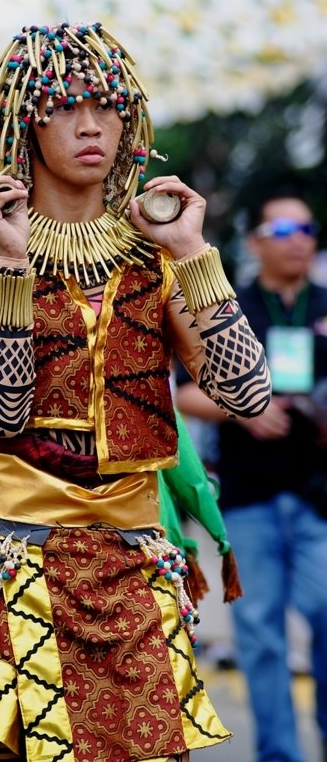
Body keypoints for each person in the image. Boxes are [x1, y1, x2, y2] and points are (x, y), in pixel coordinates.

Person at [0, 21, 271, 762]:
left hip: (135, 559)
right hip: (14, 557)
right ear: (26, 118)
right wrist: (15, 267)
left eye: (108, 106)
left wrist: (195, 255)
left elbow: (247, 395)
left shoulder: (159, 251)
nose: (91, 125)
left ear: (131, 122)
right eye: (64, 106)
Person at [175, 189, 327, 762]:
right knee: (261, 636)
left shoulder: (324, 304)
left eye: (309, 230)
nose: (301, 241)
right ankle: (280, 756)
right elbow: (185, 391)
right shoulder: (226, 307)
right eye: (285, 231)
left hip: (320, 496)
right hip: (249, 494)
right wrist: (245, 405)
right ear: (258, 241)